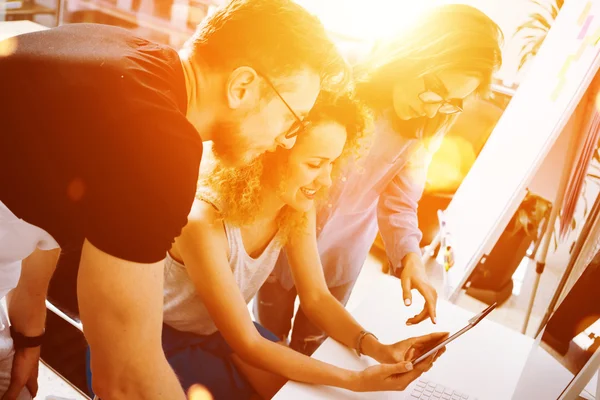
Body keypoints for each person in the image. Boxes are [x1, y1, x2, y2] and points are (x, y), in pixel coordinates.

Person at [0, 0, 347, 398]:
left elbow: (47, 204)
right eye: (292, 119)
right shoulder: (161, 144)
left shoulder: (127, 55)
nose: (287, 140)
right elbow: (127, 379)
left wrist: (28, 333)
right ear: (242, 87)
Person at [158, 92, 449, 399]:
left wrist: (379, 348)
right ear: (269, 153)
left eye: (332, 164)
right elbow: (248, 343)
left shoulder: (296, 207)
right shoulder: (203, 222)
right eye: (315, 164)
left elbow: (317, 298)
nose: (326, 180)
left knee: (302, 391)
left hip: (221, 332)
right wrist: (356, 380)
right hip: (162, 339)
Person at [255, 3, 504, 356]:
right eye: (435, 89)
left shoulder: (431, 122)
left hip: (341, 253)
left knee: (313, 347)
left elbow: (401, 199)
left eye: (452, 102)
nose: (434, 109)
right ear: (416, 52)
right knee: (266, 338)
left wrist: (410, 257)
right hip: (279, 237)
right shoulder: (338, 78)